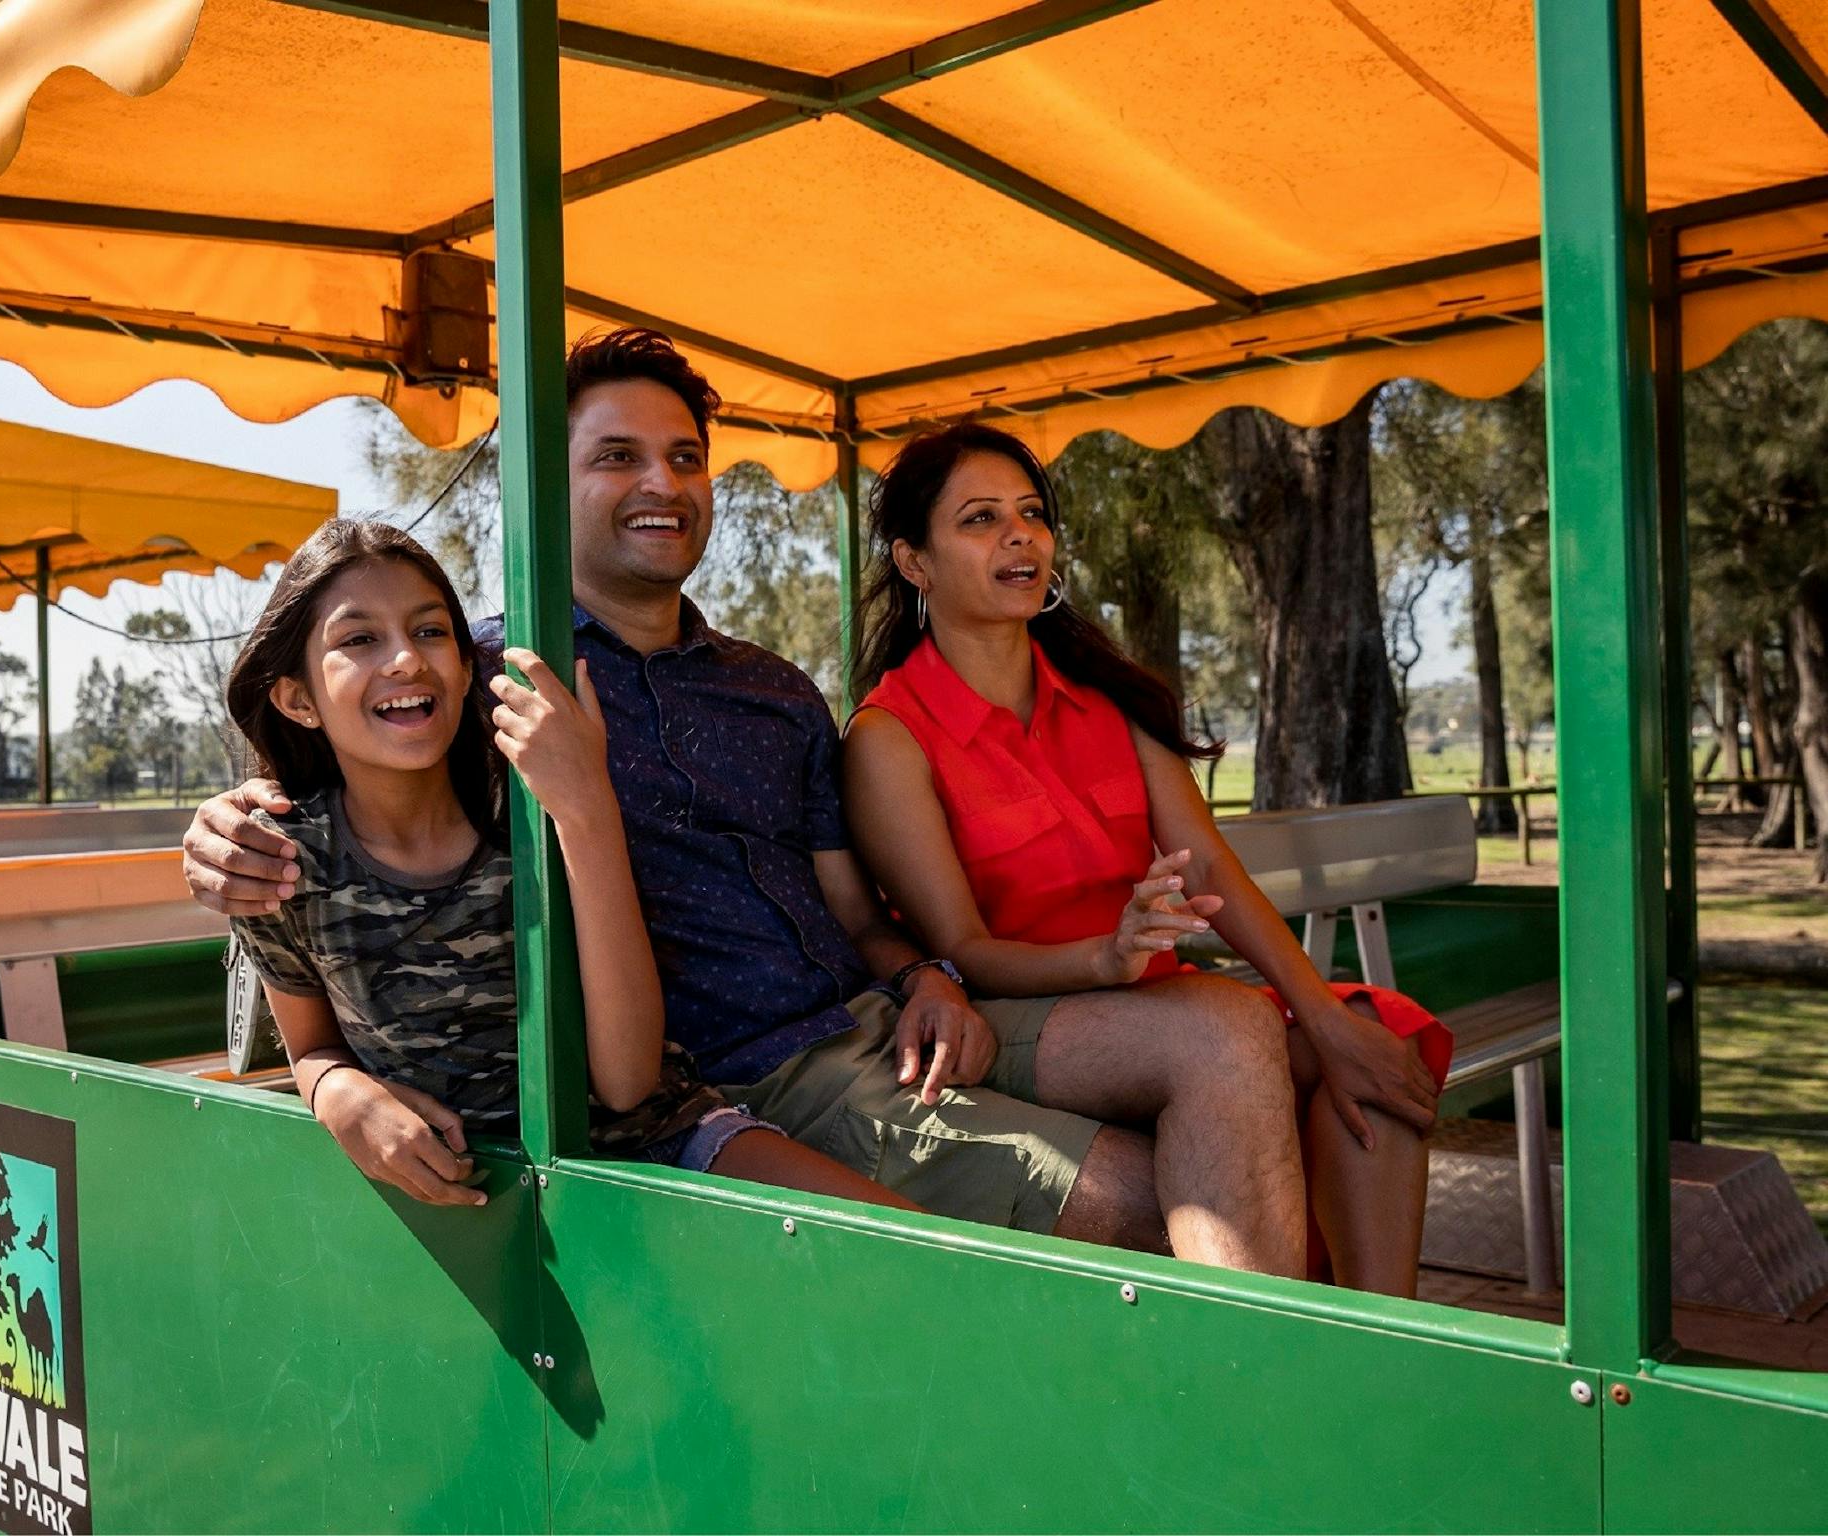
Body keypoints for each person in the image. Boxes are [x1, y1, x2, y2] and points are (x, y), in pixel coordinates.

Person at [186, 328, 1308, 1275]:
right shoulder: (485, 679)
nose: (661, 485)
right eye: (615, 457)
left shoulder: (772, 691)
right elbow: (344, 747)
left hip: (879, 1019)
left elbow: (856, 915)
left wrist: (927, 975)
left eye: (684, 458)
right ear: (544, 482)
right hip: (746, 1068)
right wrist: (223, 820)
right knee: (1148, 1199)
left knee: (1236, 1044)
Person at [841, 422, 1452, 1296]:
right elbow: (962, 952)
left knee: (1372, 1040)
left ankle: (1384, 1348)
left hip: (1150, 1005)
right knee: (1225, 1026)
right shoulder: (889, 737)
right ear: (914, 563)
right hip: (1015, 1016)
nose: (1020, 535)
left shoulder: (1107, 698)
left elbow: (1203, 865)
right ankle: (1263, 1371)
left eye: (1030, 515)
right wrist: (1106, 957)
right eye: (979, 520)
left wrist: (1318, 1012)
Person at [220, 517, 905, 1210]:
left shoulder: (530, 811)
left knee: (917, 1250)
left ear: (466, 670)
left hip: (662, 1145)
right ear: (297, 697)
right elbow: (310, 1050)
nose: (404, 660)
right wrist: (340, 1096)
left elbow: (630, 1082)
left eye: (430, 631)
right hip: (477, 1190)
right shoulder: (279, 860)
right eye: (359, 639)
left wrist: (586, 810)